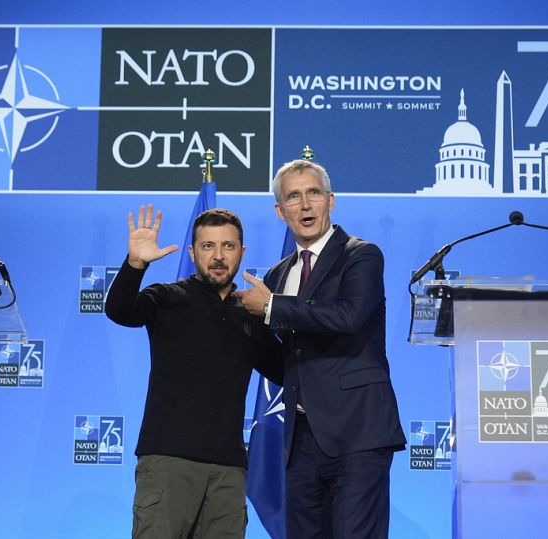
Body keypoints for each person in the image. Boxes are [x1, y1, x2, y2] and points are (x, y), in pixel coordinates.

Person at [234, 160, 406, 538]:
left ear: (331, 200)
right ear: (281, 211)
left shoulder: (361, 255)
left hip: (358, 433)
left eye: (313, 193)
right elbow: (285, 363)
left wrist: (271, 307)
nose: (305, 204)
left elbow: (348, 316)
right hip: (301, 440)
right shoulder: (277, 276)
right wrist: (239, 323)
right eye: (293, 197)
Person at [105, 205, 282, 539]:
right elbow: (119, 310)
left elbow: (286, 370)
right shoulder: (168, 298)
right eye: (207, 246)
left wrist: (280, 313)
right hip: (168, 462)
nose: (218, 256)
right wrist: (135, 265)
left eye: (228, 246)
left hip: (229, 470)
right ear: (192, 252)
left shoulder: (251, 315)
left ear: (242, 252)